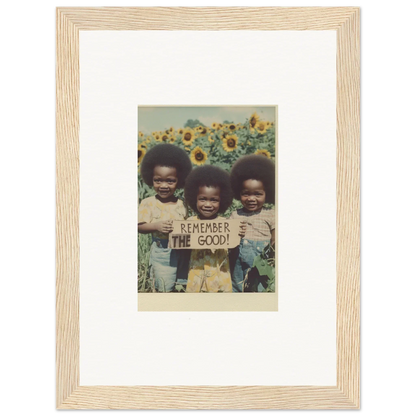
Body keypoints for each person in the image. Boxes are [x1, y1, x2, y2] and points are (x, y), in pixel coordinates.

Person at [138, 143, 192, 292]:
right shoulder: (148, 203)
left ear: (179, 181)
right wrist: (156, 226)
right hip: (162, 252)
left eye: (170, 181)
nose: (163, 185)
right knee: (164, 286)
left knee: (182, 283)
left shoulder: (182, 203)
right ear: (151, 179)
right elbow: (139, 226)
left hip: (182, 249)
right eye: (158, 180)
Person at [183, 165, 235, 293]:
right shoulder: (190, 222)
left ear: (222, 201)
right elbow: (181, 244)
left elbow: (233, 244)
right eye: (202, 199)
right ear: (194, 198)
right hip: (197, 273)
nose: (207, 205)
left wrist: (238, 232)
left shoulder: (226, 224)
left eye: (214, 200)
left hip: (219, 274)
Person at [229, 155, 275, 292]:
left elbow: (275, 237)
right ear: (238, 193)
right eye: (245, 194)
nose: (251, 198)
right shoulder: (235, 214)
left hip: (261, 260)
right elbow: (226, 236)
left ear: (267, 193)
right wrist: (234, 233)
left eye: (257, 194)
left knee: (260, 288)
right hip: (237, 260)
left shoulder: (271, 214)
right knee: (236, 286)